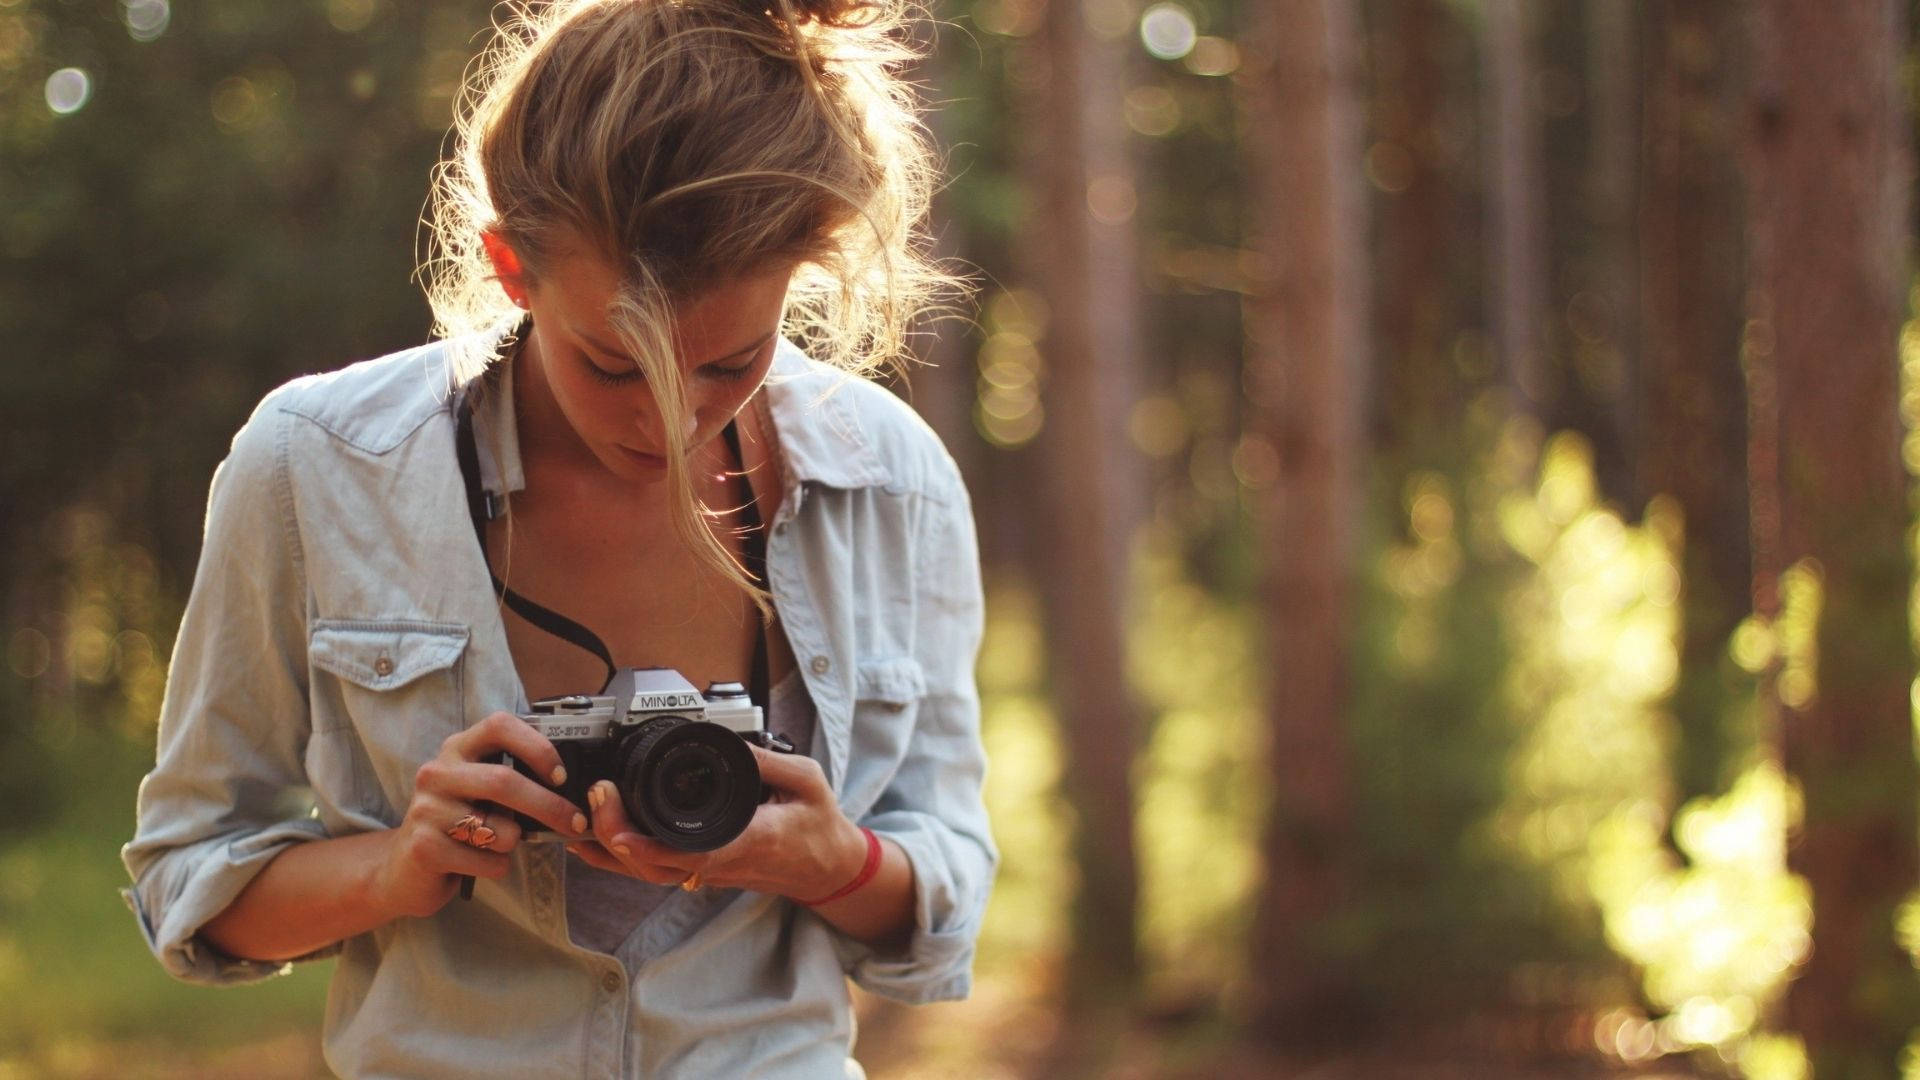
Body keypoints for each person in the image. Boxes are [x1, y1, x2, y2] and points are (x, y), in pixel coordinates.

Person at [119, 0, 995, 1075]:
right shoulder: (317, 467)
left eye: (730, 362)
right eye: (614, 365)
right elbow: (187, 880)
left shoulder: (890, 483)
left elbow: (945, 891)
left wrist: (832, 863)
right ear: (508, 265)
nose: (669, 425)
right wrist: (400, 865)